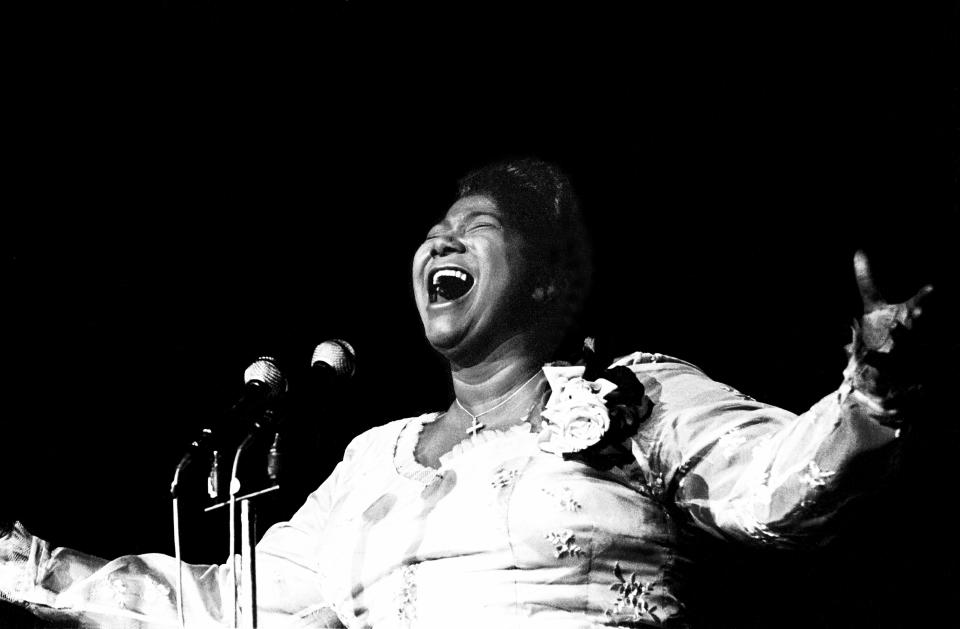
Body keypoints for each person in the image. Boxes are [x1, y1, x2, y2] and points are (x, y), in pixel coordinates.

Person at [0, 158, 935, 628]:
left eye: (477, 227)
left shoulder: (629, 398)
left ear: (546, 282)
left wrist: (877, 381)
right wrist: (25, 565)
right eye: (434, 230)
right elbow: (237, 605)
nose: (441, 242)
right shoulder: (375, 459)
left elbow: (781, 485)